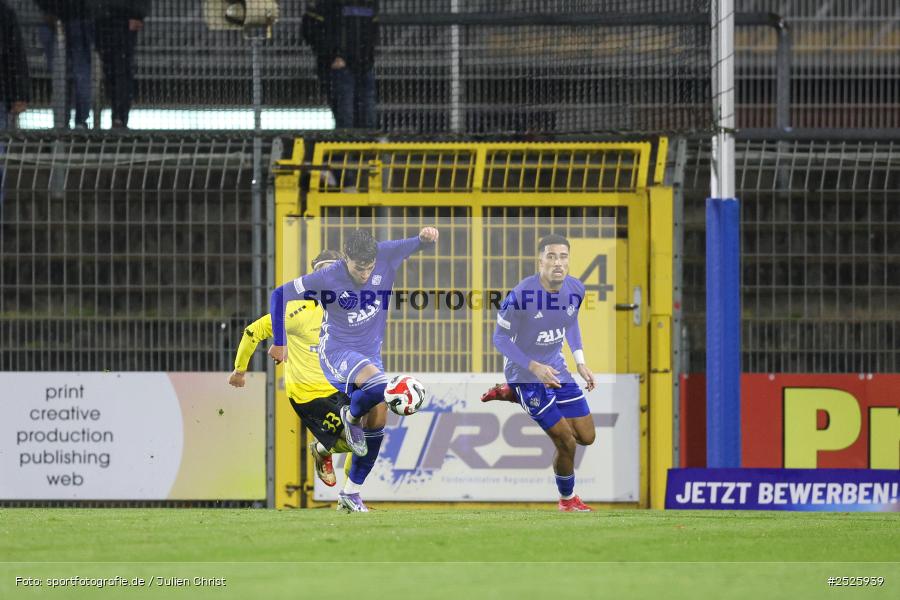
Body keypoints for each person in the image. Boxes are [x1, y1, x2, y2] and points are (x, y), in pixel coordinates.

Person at [268, 227, 439, 511]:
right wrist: (279, 342)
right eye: (360, 268)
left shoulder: (385, 253)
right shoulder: (326, 277)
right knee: (378, 387)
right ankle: (351, 413)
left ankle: (350, 492)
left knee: (378, 423)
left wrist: (426, 239)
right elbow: (278, 295)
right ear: (346, 258)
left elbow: (417, 245)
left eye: (370, 268)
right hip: (336, 351)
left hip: (370, 354)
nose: (365, 274)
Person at [483, 234, 598, 512]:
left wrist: (580, 361)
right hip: (525, 374)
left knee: (586, 436)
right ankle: (567, 500)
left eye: (563, 256)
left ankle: (510, 395)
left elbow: (570, 321)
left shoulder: (576, 289)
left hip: (555, 367)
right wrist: (533, 367)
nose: (558, 262)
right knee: (566, 441)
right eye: (551, 256)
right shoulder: (522, 295)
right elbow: (499, 338)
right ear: (540, 261)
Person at [229, 249, 357, 488]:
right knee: (356, 440)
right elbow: (253, 332)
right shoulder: (298, 311)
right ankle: (324, 452)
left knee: (370, 431)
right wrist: (239, 370)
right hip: (308, 393)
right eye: (323, 272)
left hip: (339, 387)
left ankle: (350, 490)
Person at [89, 0, 149, 129]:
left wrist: (137, 14)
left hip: (118, 18)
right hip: (107, 18)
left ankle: (119, 117)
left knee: (119, 70)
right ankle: (118, 117)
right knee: (114, 70)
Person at [35, 0, 93, 129]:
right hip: (79, 19)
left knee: (62, 75)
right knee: (80, 74)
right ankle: (80, 122)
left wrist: (48, 9)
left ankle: (63, 122)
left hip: (60, 19)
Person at [320, 0, 378, 129]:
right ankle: (349, 142)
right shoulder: (334, 5)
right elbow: (326, 30)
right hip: (345, 64)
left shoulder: (369, 3)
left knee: (365, 110)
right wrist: (335, 55)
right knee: (347, 112)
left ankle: (364, 142)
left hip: (363, 63)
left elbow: (373, 31)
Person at [1, 0, 30, 131]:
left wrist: (20, 94)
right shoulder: (5, 12)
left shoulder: (5, 13)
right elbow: (17, 55)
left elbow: (16, 54)